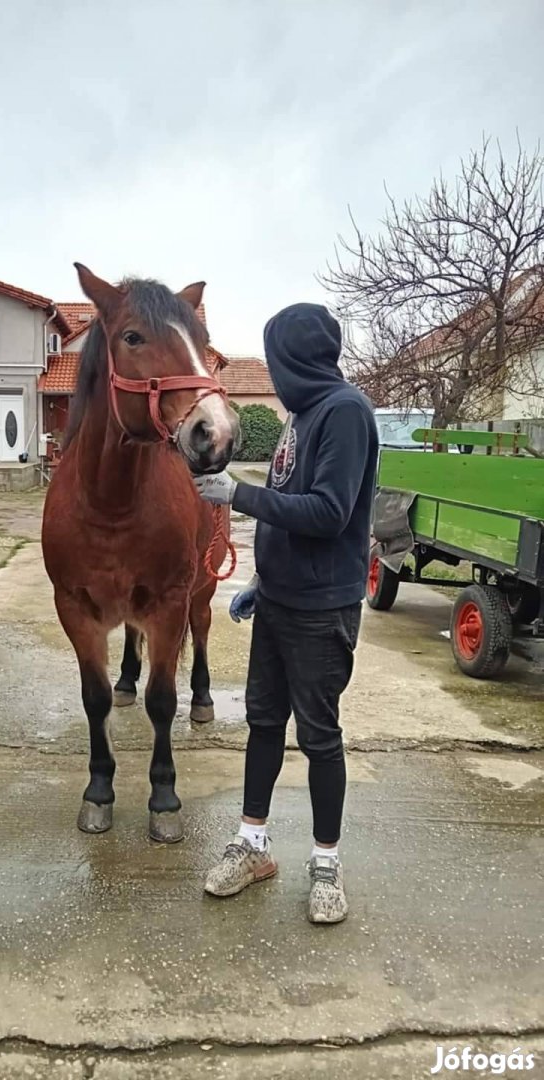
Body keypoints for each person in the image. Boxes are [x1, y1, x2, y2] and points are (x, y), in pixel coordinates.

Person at [193, 302, 378, 923]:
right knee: (265, 723)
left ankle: (326, 861)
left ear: (299, 360)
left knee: (319, 736)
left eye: (278, 362)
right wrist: (260, 579)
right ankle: (252, 845)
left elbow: (328, 512)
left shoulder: (344, 413)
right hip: (280, 598)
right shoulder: (301, 415)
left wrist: (238, 495)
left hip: (322, 609)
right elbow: (290, 499)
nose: (275, 375)